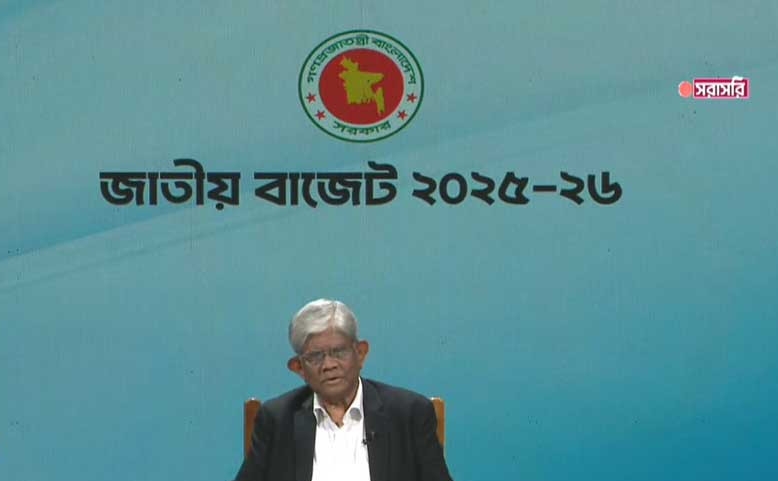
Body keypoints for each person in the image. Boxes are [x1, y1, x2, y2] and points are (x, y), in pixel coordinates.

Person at [234, 299, 453, 481]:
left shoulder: (409, 414)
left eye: (339, 352)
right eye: (315, 357)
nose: (329, 365)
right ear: (299, 368)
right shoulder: (277, 419)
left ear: (361, 353)